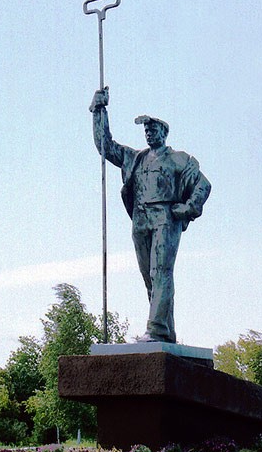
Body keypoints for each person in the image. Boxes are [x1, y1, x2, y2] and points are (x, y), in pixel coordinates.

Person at [90, 87, 211, 343]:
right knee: (151, 279)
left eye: (153, 128)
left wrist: (188, 208)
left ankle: (156, 329)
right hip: (141, 218)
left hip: (165, 217)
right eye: (146, 129)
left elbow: (203, 185)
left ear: (164, 132)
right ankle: (166, 331)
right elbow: (106, 146)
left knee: (161, 272)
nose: (148, 132)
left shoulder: (179, 159)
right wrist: (98, 111)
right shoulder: (135, 158)